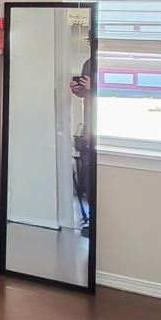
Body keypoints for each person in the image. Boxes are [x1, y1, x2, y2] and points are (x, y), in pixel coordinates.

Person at [68, 58, 93, 237]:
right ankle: (92, 223)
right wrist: (79, 90)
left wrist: (97, 88)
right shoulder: (89, 63)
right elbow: (85, 94)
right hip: (89, 130)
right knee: (88, 180)